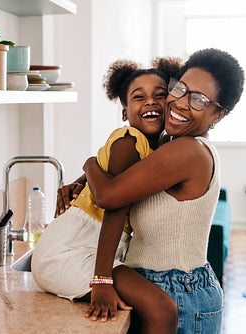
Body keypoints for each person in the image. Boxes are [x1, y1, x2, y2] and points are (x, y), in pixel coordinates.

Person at [82, 48, 245, 333]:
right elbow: (126, 177)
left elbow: (109, 195)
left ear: (218, 114)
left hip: (177, 294)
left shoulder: (187, 151)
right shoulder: (170, 143)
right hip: (168, 288)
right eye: (180, 88)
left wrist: (89, 164)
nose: (180, 103)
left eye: (198, 100)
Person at [31, 57, 183, 332]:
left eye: (159, 96)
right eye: (139, 97)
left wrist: (88, 167)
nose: (150, 101)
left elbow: (108, 172)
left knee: (161, 309)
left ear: (170, 104)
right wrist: (101, 280)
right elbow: (114, 205)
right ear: (125, 112)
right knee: (163, 308)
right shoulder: (129, 141)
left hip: (96, 246)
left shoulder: (157, 148)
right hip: (69, 251)